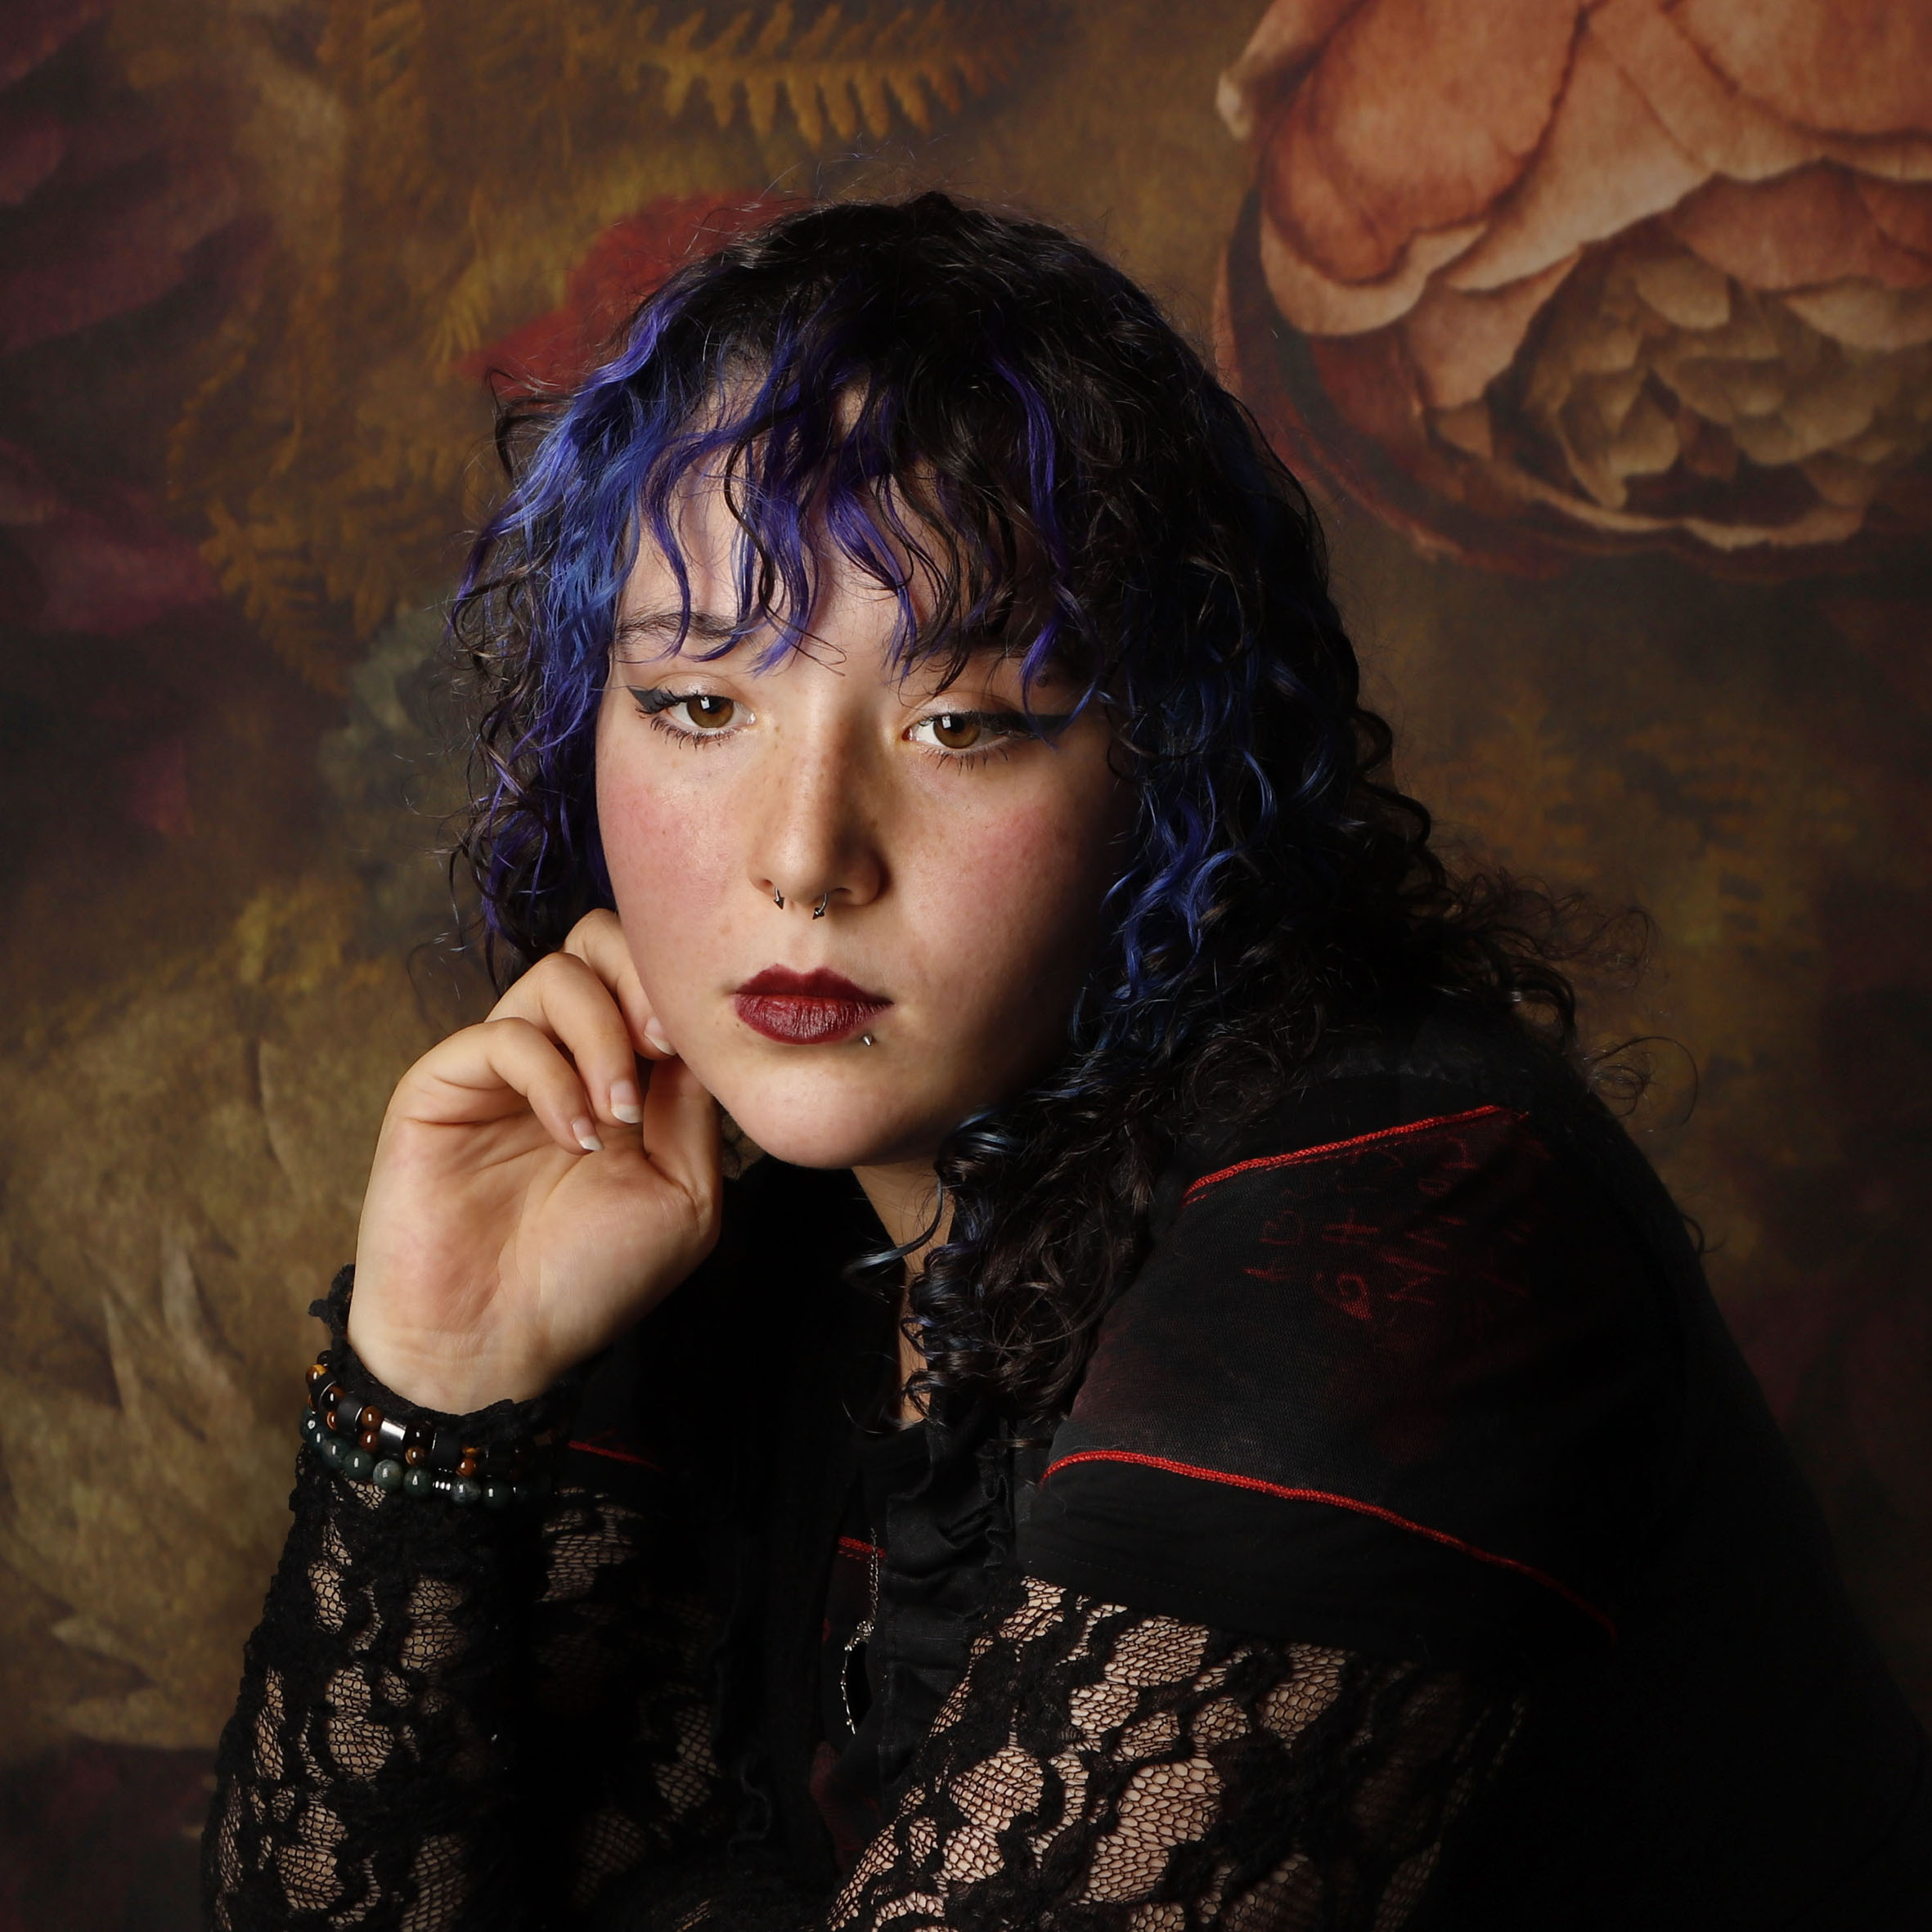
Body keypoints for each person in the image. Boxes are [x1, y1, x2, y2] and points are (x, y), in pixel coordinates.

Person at [202, 195, 1930, 1932]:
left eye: (960, 722)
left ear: (1162, 769)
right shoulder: (702, 1201)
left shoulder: (1396, 1225)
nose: (803, 859)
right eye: (702, 705)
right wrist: (434, 1382)